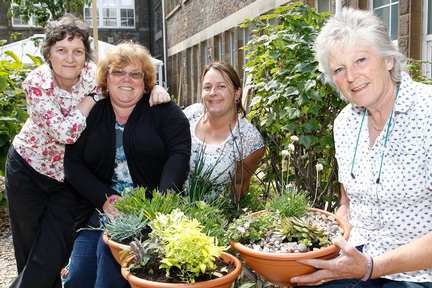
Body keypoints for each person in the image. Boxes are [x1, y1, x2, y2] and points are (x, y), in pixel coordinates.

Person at [4, 14, 170, 288]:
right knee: (29, 252)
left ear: (86, 56)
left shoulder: (95, 76)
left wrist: (157, 89)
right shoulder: (36, 82)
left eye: (77, 51)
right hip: (27, 170)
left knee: (51, 254)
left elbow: (129, 82)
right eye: (61, 50)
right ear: (48, 54)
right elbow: (65, 133)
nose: (70, 58)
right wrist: (91, 100)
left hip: (68, 181)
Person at [290, 8, 432, 288]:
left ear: (388, 59)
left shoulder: (427, 113)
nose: (352, 76)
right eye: (339, 69)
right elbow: (348, 203)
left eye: (361, 60)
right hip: (358, 259)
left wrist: (369, 267)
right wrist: (322, 245)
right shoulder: (344, 123)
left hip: (418, 272)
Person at [63, 41, 191, 288]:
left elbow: (179, 155)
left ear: (145, 83)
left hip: (150, 212)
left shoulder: (164, 111)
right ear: (106, 78)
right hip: (98, 209)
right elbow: (73, 164)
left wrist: (161, 206)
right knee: (78, 277)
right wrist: (107, 199)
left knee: (111, 271)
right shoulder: (91, 113)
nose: (126, 79)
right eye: (118, 72)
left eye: (135, 74)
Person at [183, 61, 265, 200]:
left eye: (221, 86)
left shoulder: (249, 140)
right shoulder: (190, 115)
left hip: (212, 217)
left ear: (237, 93)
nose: (213, 93)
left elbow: (238, 189)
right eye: (207, 87)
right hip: (169, 208)